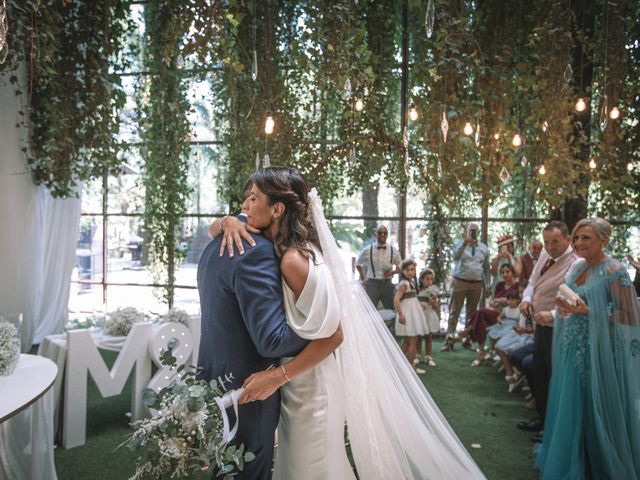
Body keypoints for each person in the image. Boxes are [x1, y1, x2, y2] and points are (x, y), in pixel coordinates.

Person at [218, 166, 486, 480]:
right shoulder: (286, 247)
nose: (245, 206)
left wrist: (277, 378)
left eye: (253, 198)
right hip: (299, 383)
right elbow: (222, 227)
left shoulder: (293, 260)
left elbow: (335, 336)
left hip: (312, 387)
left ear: (277, 209)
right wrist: (227, 222)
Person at [197, 184, 309, 479]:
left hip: (214, 375)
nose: (246, 203)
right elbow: (272, 341)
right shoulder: (257, 253)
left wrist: (225, 222)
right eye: (248, 196)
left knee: (224, 467)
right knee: (248, 471)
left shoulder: (217, 242)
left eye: (252, 197)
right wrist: (318, 331)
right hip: (248, 389)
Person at [537, 218, 640, 479]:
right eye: (577, 237)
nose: (579, 243)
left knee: (595, 407)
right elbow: (572, 307)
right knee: (571, 406)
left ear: (603, 241)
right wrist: (563, 310)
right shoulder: (575, 269)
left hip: (599, 354)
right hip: (572, 347)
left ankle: (598, 468)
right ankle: (575, 461)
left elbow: (630, 316)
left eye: (587, 238)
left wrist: (588, 311)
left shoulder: (614, 270)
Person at [517, 220, 575, 440]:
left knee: (553, 376)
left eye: (555, 242)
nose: (550, 247)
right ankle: (542, 419)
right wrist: (526, 298)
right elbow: (532, 282)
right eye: (546, 242)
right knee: (539, 372)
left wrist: (551, 314)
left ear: (568, 239)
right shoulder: (545, 256)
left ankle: (551, 427)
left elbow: (573, 299)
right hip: (540, 328)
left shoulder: (575, 264)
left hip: (558, 329)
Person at [452, 263, 520, 365]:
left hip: (510, 316)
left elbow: (518, 301)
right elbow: (494, 302)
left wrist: (504, 301)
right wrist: (495, 303)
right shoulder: (499, 285)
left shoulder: (517, 286)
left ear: (513, 273)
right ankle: (480, 352)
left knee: (481, 313)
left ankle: (467, 333)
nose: (505, 274)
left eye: (507, 272)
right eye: (502, 272)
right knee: (481, 318)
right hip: (498, 313)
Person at [442, 223, 491, 352]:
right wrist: (465, 243)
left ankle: (467, 341)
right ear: (466, 232)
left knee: (472, 314)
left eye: (475, 231)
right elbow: (455, 257)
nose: (472, 233)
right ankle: (449, 341)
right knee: (454, 312)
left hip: (476, 283)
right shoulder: (459, 243)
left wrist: (488, 285)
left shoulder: (484, 248)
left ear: (479, 233)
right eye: (470, 230)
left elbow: (486, 268)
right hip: (460, 281)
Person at [394, 259, 429, 374]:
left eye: (412, 269)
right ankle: (410, 368)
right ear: (403, 271)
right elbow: (397, 299)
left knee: (409, 341)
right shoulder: (404, 284)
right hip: (407, 313)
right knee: (412, 340)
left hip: (413, 312)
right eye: (407, 270)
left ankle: (397, 364)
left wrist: (419, 306)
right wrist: (400, 314)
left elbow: (412, 299)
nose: (410, 272)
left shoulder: (411, 282)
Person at [355, 225, 402, 309]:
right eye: (380, 233)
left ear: (387, 235)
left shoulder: (393, 250)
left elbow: (401, 267)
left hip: (387, 284)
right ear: (375, 234)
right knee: (370, 310)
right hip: (372, 284)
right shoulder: (367, 249)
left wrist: (392, 272)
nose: (382, 235)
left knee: (391, 309)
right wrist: (362, 277)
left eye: (385, 233)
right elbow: (358, 263)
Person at [416, 268, 440, 367]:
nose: (429, 281)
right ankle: (418, 355)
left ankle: (428, 357)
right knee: (419, 337)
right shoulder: (417, 291)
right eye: (427, 279)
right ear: (421, 280)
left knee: (428, 337)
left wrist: (432, 302)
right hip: (420, 315)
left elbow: (435, 307)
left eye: (431, 279)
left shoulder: (432, 292)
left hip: (429, 315)